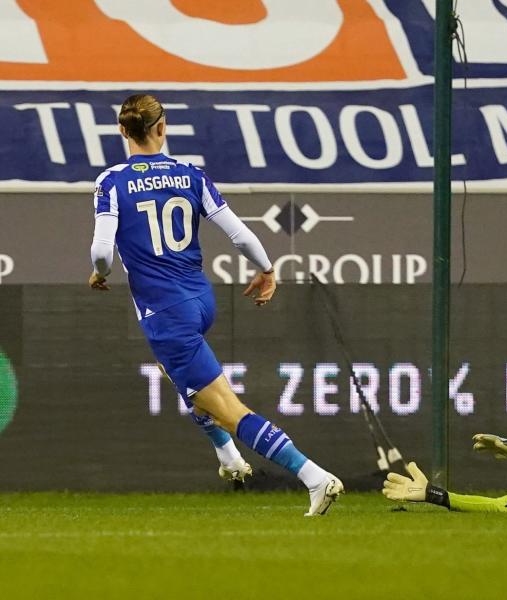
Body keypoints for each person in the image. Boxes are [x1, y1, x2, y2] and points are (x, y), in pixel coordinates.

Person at [88, 94, 342, 516]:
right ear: (162, 128)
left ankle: (314, 477)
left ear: (121, 131)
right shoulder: (190, 175)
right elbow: (240, 235)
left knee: (227, 409)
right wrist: (266, 269)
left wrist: (102, 272)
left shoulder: (111, 181)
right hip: (200, 301)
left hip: (167, 314)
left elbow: (101, 251)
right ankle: (228, 456)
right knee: (185, 380)